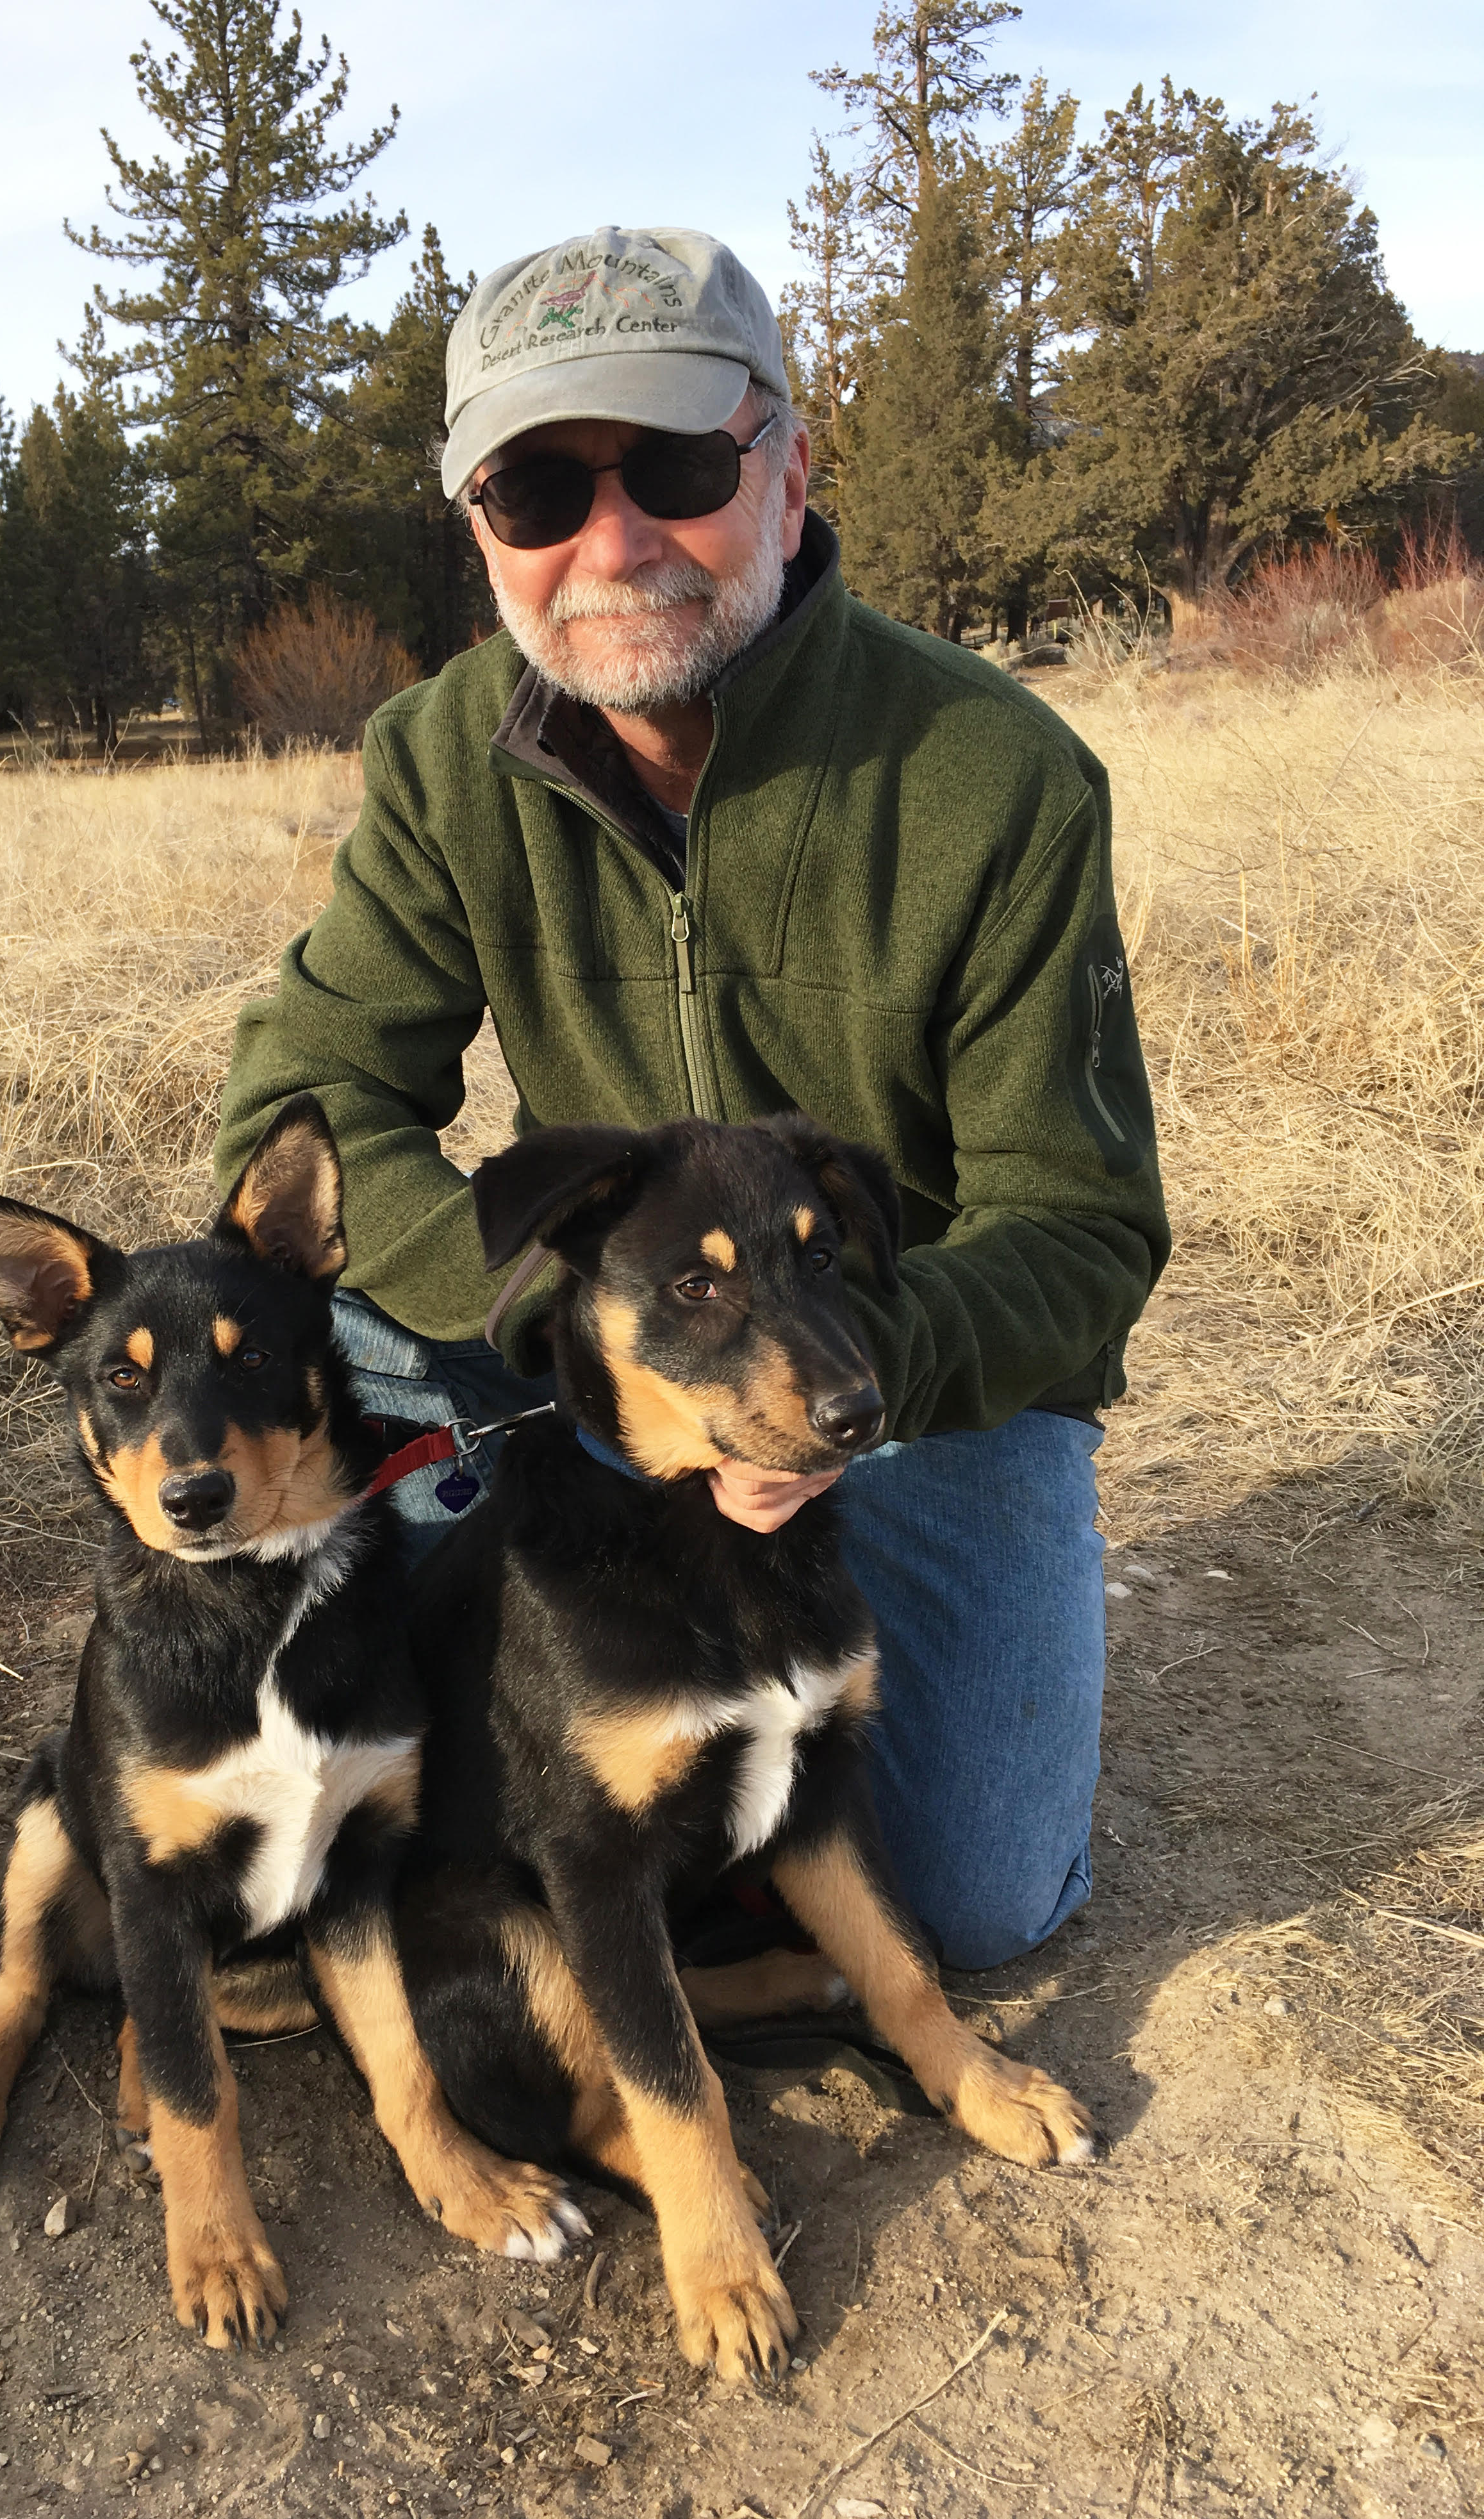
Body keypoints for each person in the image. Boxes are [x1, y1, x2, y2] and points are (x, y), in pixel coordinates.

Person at [215, 226, 1169, 1972]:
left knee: (973, 1901)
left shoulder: (998, 779)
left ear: (787, 472)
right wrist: (550, 1321)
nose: (611, 543)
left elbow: (1082, 1226)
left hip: (901, 1382)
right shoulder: (441, 758)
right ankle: (413, 1771)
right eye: (534, 493)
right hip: (588, 1368)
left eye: (671, 466)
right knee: (284, 1340)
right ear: (480, 529)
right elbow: (313, 1098)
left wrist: (848, 1375)